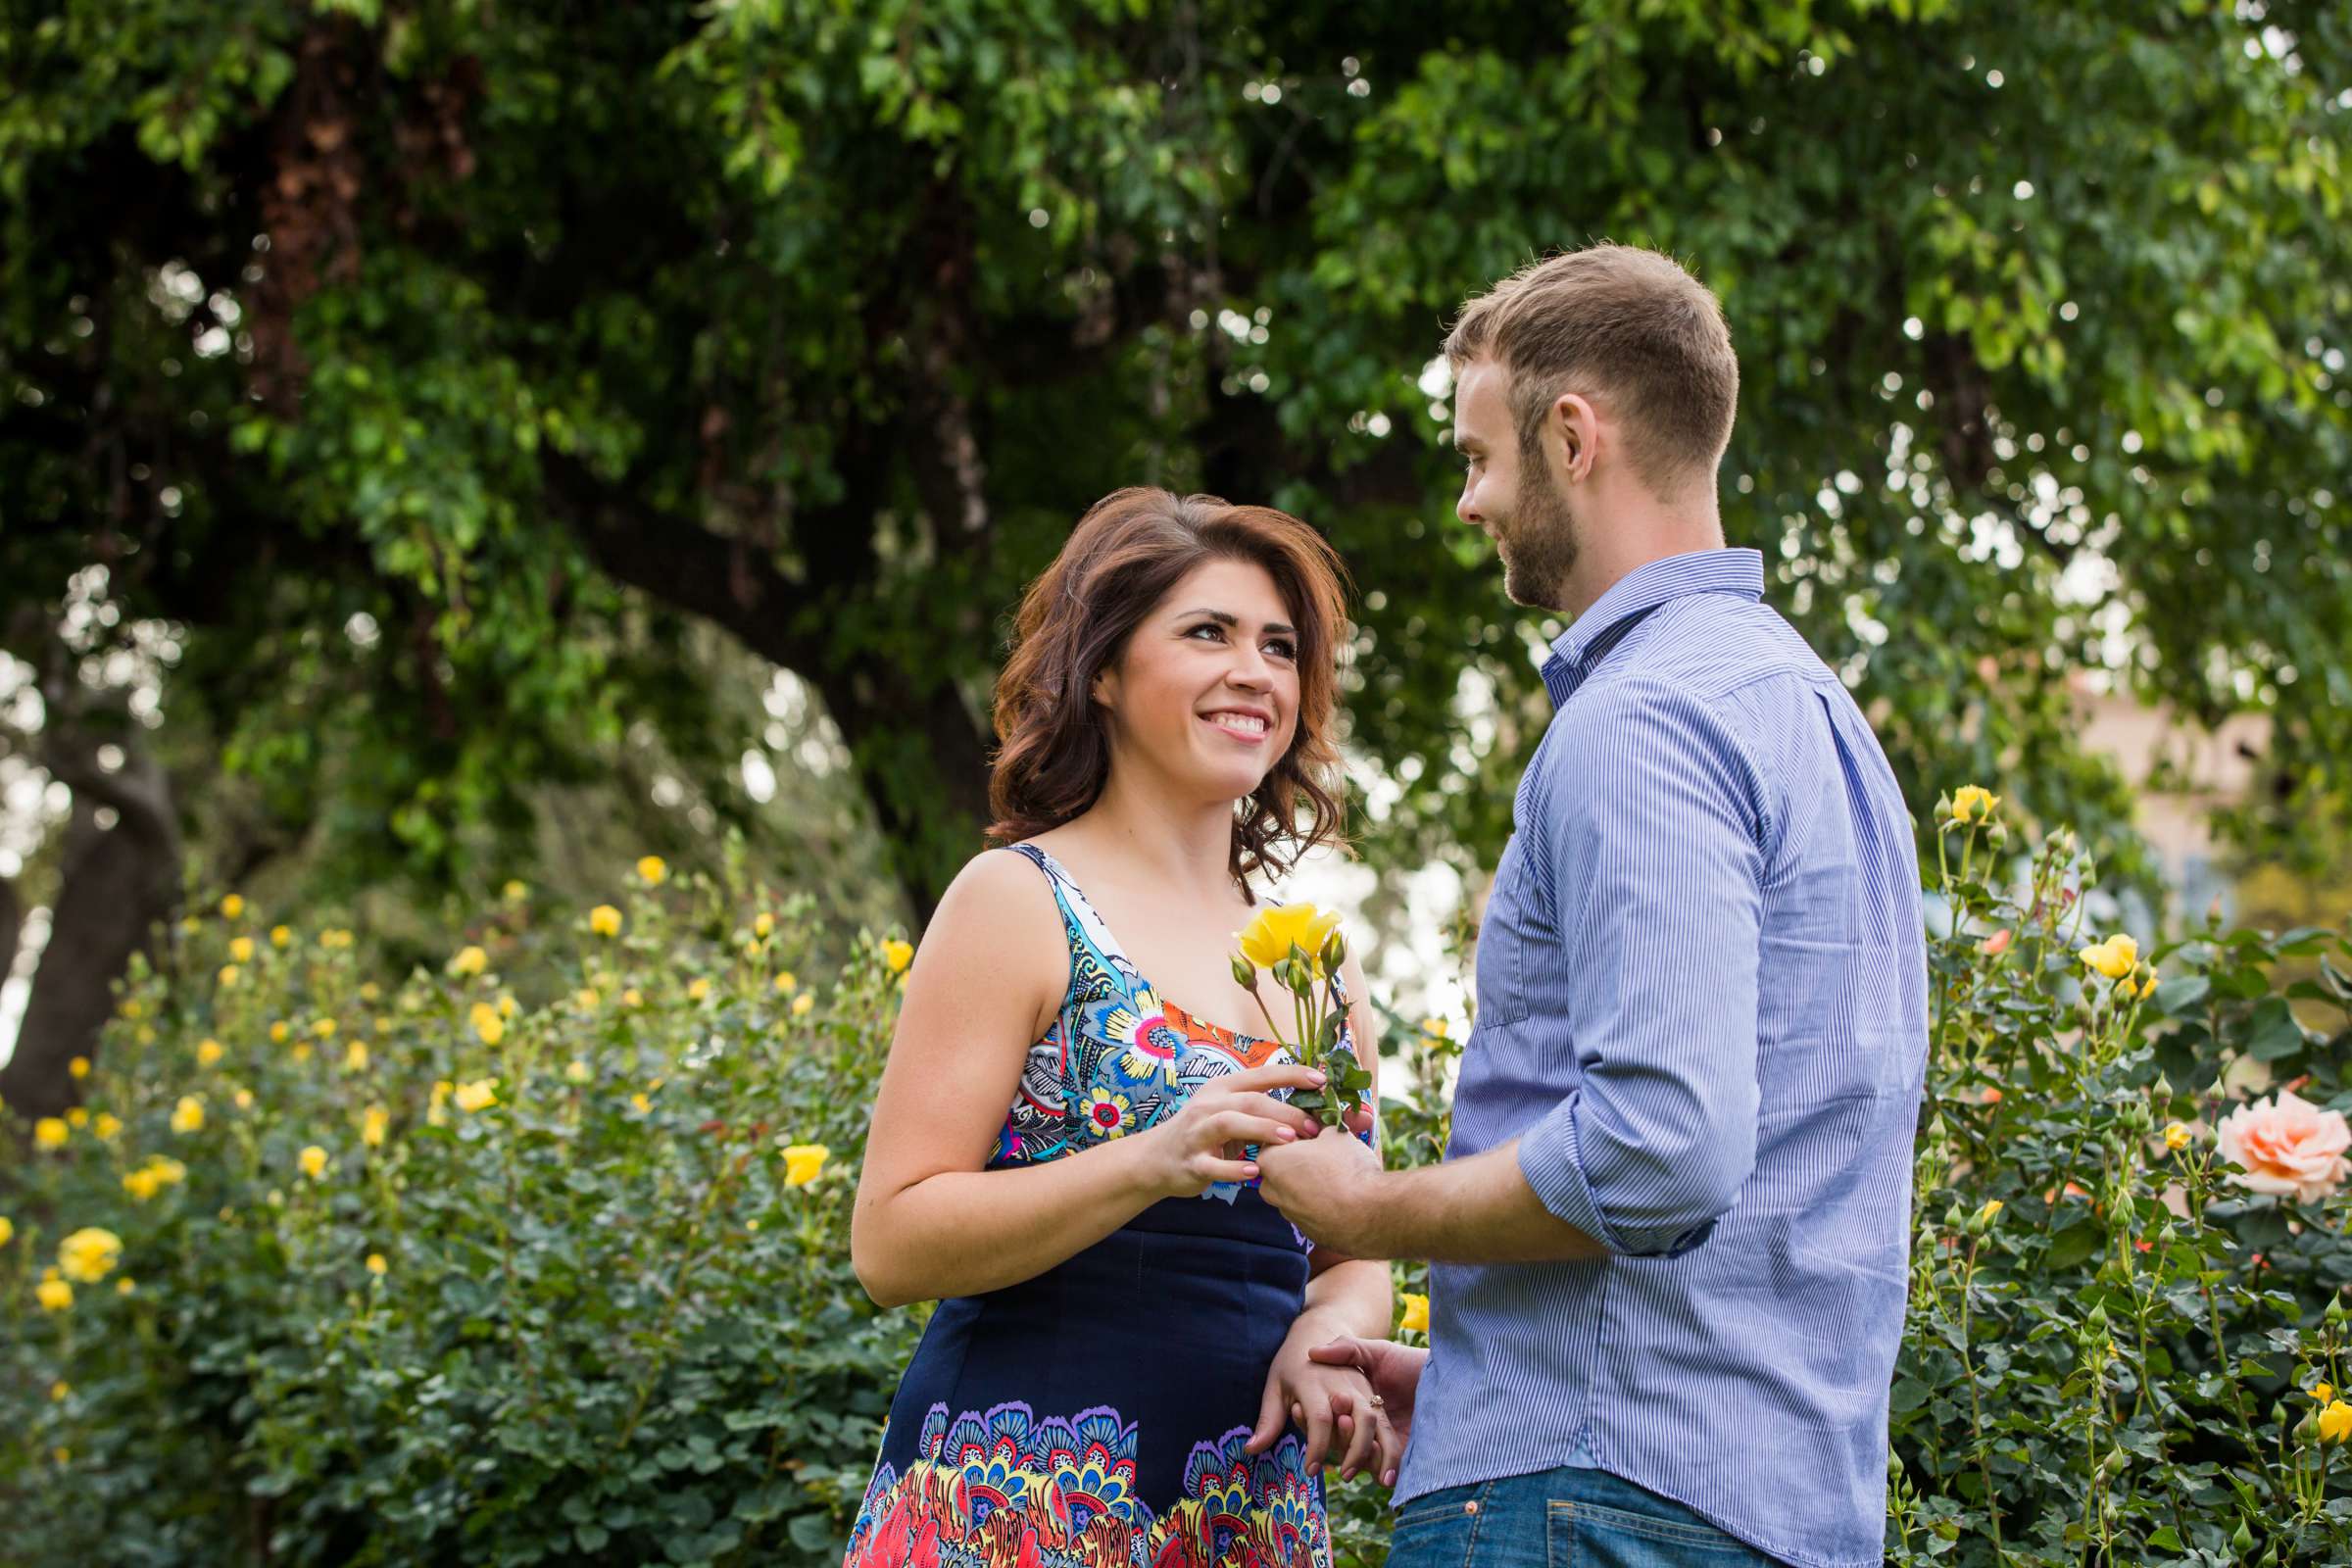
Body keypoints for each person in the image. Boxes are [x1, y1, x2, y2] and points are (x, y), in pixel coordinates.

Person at [1255, 244, 1930, 1568]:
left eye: (1476, 459)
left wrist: (1365, 1210)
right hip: (1754, 1499)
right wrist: (1467, 1386)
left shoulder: (1644, 721)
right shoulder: (1813, 715)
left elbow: (1664, 1148)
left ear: (1573, 438)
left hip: (1593, 1503)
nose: (1468, 506)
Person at [844, 488, 1397, 1568]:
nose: (1256, 671)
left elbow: (1353, 1250)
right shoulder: (1017, 900)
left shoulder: (1315, 965)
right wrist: (1148, 1160)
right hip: (1017, 1514)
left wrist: (1326, 1338)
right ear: (1102, 670)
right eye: (1209, 633)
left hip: (1247, 1516)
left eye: (1280, 647)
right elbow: (892, 1240)